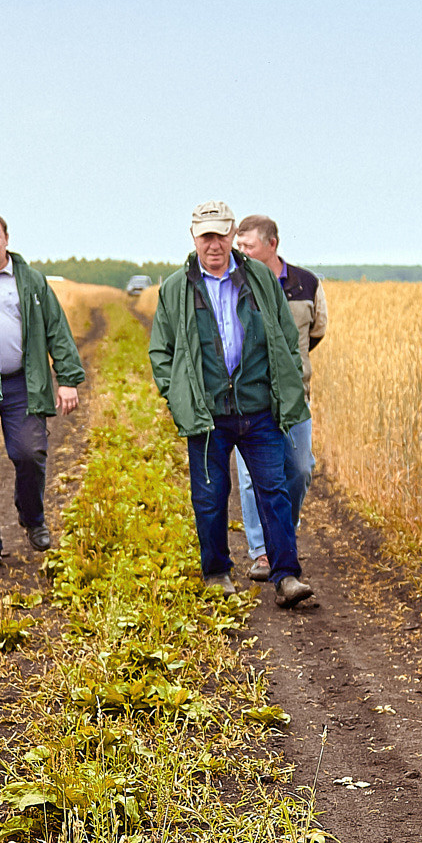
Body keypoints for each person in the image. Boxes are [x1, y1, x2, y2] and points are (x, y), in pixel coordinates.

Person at [149, 201, 317, 607]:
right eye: (206, 235)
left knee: (274, 490)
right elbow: (162, 352)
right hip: (208, 416)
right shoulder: (176, 288)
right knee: (209, 496)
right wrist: (179, 399)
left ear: (231, 235)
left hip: (258, 409)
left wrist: (286, 387)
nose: (214, 243)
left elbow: (284, 338)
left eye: (221, 234)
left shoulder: (258, 277)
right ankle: (218, 572)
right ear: (194, 237)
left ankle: (286, 576)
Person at [0, 211, 86, 572]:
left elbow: (56, 329)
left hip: (21, 382)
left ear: (6, 239)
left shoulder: (30, 281)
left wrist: (68, 379)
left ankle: (32, 517)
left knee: (29, 452)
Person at [229, 214, 326, 579]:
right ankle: (261, 552)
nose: (242, 253)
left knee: (300, 469)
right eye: (239, 246)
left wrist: (291, 367)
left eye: (248, 246)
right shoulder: (233, 283)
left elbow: (316, 332)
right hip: (250, 400)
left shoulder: (306, 284)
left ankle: (284, 529)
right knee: (253, 477)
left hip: (295, 396)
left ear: (272, 245)